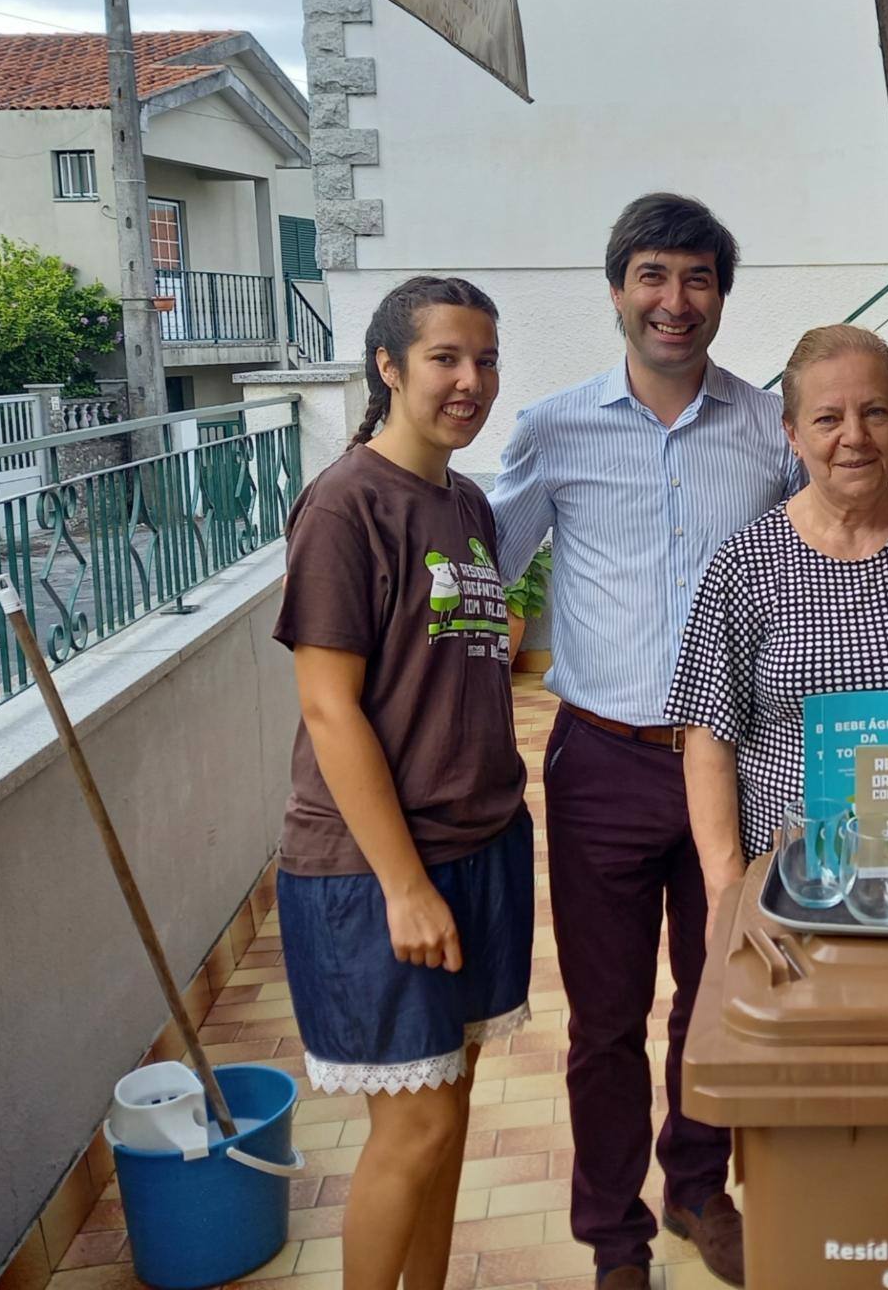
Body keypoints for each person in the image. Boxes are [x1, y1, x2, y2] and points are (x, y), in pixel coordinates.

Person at [488, 194, 797, 1290]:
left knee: (715, 995)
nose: (676, 301)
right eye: (654, 276)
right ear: (616, 288)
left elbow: (824, 566)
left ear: (721, 295)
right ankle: (611, 1236)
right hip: (601, 762)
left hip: (740, 764)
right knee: (606, 1019)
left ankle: (698, 1187)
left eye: (698, 278)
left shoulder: (772, 432)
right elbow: (481, 568)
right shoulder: (551, 427)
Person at [273, 276, 531, 1290]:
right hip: (378, 867)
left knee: (449, 1108)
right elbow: (328, 708)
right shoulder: (345, 504)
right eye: (445, 358)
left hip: (480, 846)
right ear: (387, 367)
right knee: (413, 1123)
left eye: (486, 359)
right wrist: (404, 885)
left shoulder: (463, 500)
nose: (471, 381)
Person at [668, 324, 888, 909]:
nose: (855, 437)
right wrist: (727, 892)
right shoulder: (744, 564)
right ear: (792, 433)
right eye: (828, 418)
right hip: (790, 879)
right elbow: (709, 740)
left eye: (875, 412)